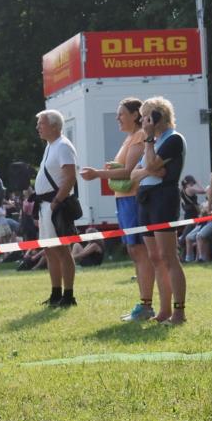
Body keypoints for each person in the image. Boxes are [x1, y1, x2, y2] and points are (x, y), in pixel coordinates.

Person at [79, 98, 155, 321]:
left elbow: (128, 172)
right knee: (134, 252)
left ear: (135, 115)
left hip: (133, 200)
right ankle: (144, 303)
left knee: (140, 252)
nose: (117, 118)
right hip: (124, 200)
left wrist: (97, 174)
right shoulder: (129, 138)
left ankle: (146, 305)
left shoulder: (140, 136)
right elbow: (124, 169)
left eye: (121, 114)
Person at [130, 96, 187, 325]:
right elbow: (134, 174)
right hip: (146, 198)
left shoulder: (172, 139)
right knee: (154, 257)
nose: (143, 122)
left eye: (146, 117)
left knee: (168, 256)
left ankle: (179, 312)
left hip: (164, 198)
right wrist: (149, 169)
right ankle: (163, 311)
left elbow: (153, 167)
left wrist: (150, 143)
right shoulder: (152, 141)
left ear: (158, 117)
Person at [34, 109, 79, 307]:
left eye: (41, 124)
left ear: (54, 126)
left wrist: (56, 202)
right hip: (46, 205)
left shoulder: (63, 146)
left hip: (55, 205)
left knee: (62, 250)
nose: (38, 127)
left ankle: (68, 295)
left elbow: (70, 177)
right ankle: (56, 293)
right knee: (50, 251)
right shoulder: (50, 146)